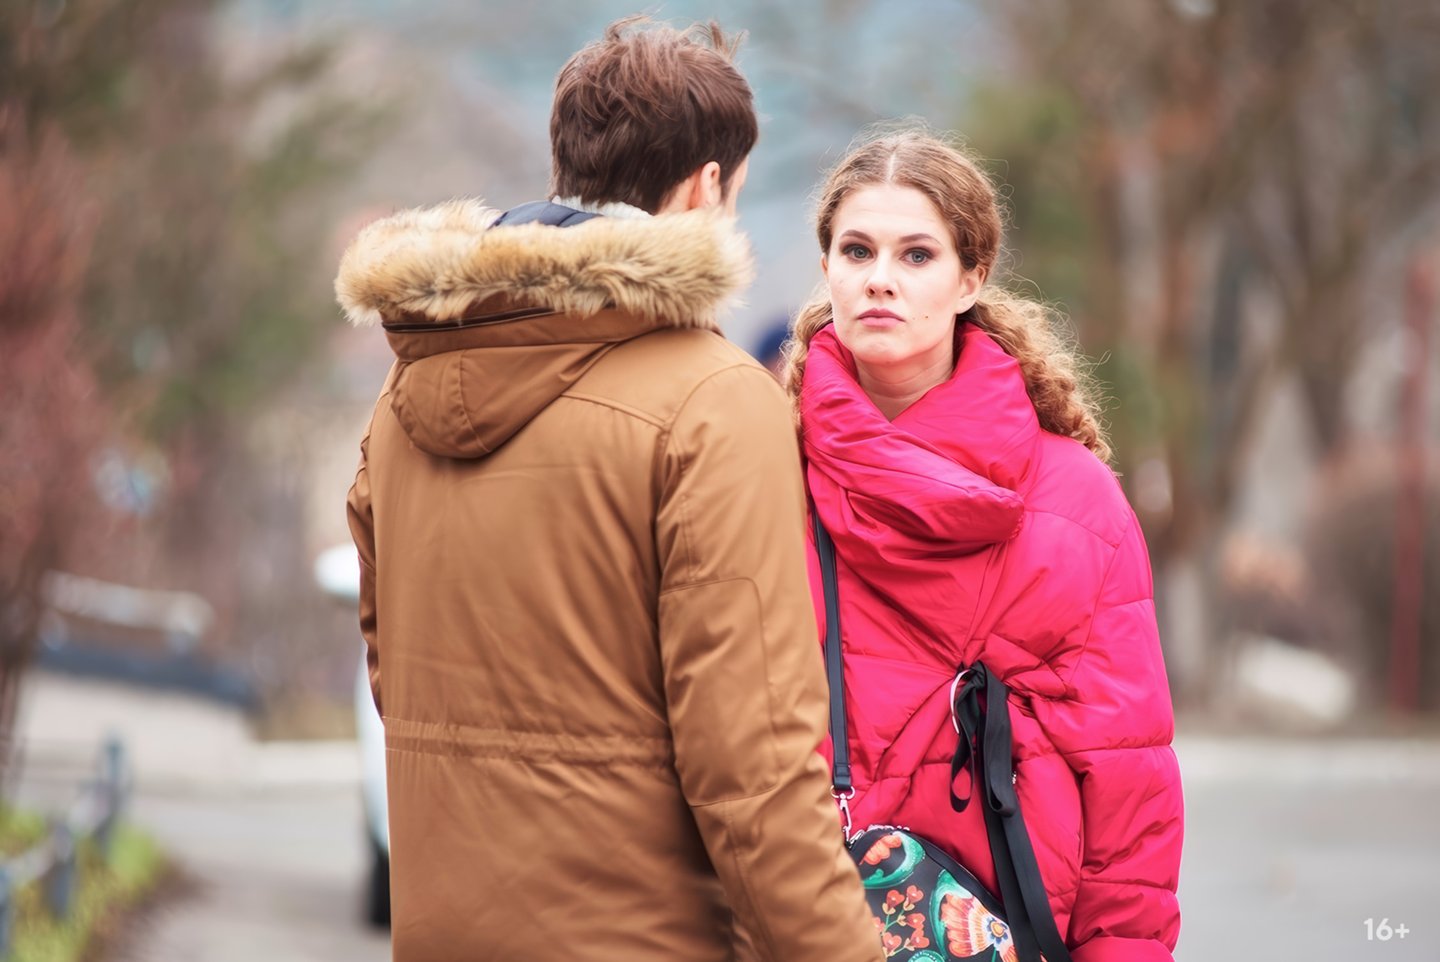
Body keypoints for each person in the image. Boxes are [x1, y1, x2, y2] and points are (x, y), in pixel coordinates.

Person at [338, 18, 881, 962]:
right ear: (706, 187)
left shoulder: (403, 395)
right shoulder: (715, 402)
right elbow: (753, 769)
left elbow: (396, 676)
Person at [782, 129, 1184, 960]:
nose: (880, 278)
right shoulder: (762, 472)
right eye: (856, 251)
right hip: (793, 930)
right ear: (826, 269)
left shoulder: (1075, 503)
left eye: (916, 254)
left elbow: (1127, 780)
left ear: (972, 278)